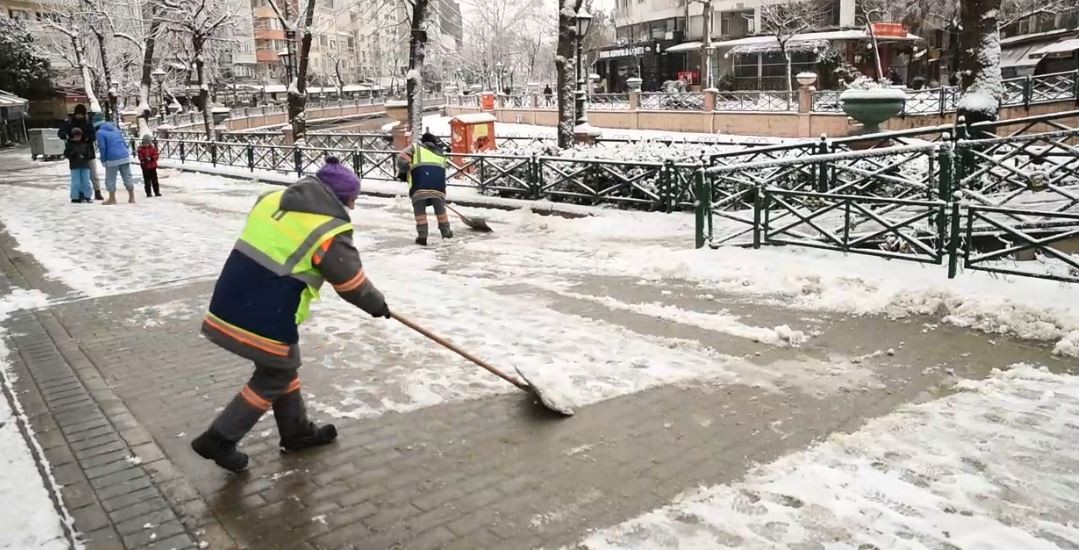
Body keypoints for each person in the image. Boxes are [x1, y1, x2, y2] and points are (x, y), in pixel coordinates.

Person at [192, 157, 390, 472]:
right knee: (277, 373)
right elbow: (350, 282)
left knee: (282, 362)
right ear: (338, 197)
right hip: (265, 310)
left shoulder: (272, 199)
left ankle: (295, 431)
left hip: (234, 295)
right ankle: (219, 438)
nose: (354, 204)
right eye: (353, 197)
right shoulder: (328, 226)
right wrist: (378, 305)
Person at [399, 131, 452, 246]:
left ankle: (422, 237)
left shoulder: (416, 148)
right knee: (440, 210)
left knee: (420, 212)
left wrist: (405, 170)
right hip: (438, 186)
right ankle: (446, 232)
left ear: (423, 141)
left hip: (420, 185)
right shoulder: (440, 154)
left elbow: (402, 157)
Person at [58, 104, 103, 201]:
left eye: (81, 114)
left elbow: (93, 136)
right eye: (78, 114)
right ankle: (79, 193)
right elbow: (61, 133)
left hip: (88, 152)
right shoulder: (70, 123)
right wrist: (67, 136)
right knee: (77, 175)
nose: (79, 116)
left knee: (92, 173)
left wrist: (87, 138)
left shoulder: (88, 123)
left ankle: (96, 191)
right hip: (74, 152)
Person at [92, 113, 136, 205]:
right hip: (124, 156)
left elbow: (102, 147)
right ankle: (132, 197)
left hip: (112, 158)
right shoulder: (115, 129)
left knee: (110, 179)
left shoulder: (100, 132)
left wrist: (103, 160)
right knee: (127, 176)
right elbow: (123, 142)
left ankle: (112, 198)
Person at [63, 127, 94, 204]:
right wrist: (72, 154)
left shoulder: (85, 144)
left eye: (79, 136)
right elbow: (66, 154)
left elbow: (90, 154)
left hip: (85, 165)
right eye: (76, 136)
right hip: (75, 165)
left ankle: (87, 196)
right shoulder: (70, 144)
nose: (78, 137)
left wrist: (87, 156)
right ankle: (75, 196)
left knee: (86, 181)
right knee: (76, 182)